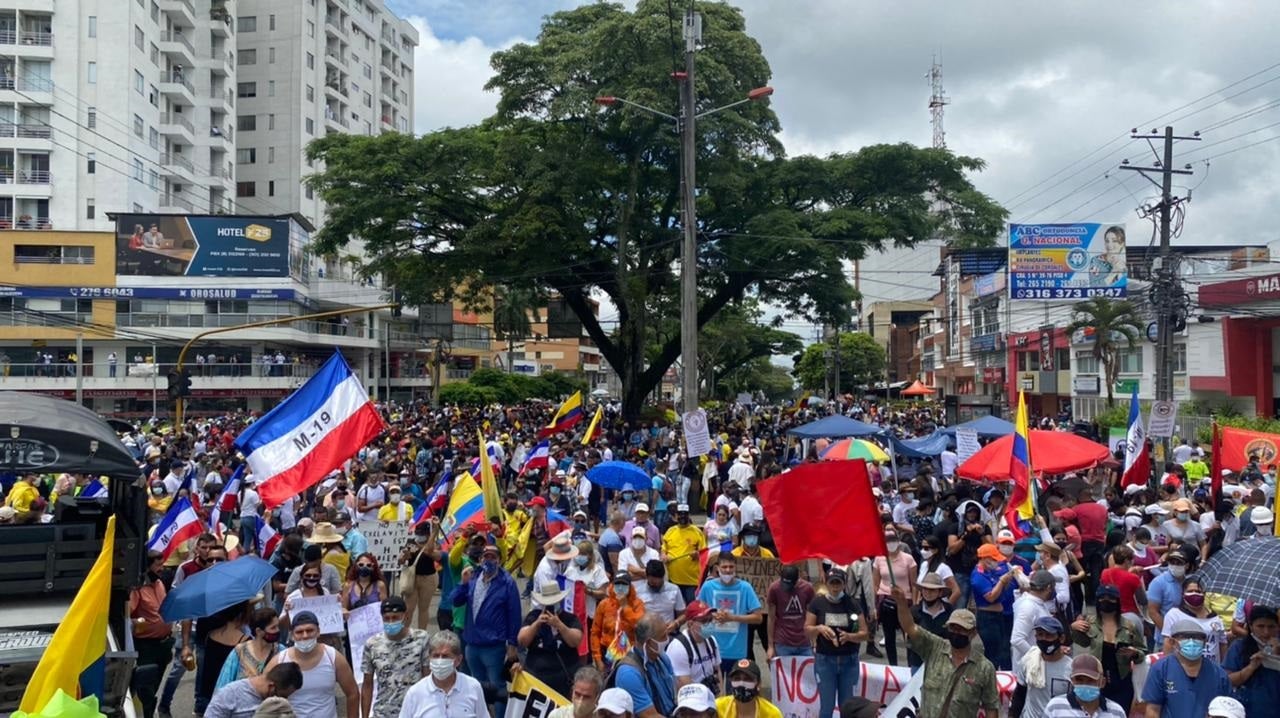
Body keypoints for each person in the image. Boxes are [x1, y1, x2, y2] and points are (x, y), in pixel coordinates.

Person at [892, 584, 999, 717]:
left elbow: (991, 707)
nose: (956, 632)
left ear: (972, 633)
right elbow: (910, 627)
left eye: (961, 629)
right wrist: (902, 603)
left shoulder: (985, 668)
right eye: (952, 628)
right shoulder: (934, 647)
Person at [449, 538, 522, 718]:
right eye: (485, 556)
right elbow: (455, 600)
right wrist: (462, 583)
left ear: (499, 559)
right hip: (472, 645)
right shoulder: (473, 577)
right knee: (476, 686)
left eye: (493, 556)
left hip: (494, 646)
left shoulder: (507, 582)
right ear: (480, 559)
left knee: (497, 686)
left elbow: (514, 615)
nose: (488, 560)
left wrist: (512, 644)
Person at [266, 611, 360, 718]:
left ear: (318, 631)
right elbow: (263, 691)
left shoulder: (333, 657)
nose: (305, 636)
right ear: (292, 635)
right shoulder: (280, 660)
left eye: (310, 630)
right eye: (299, 632)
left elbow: (352, 693)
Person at [1069, 584, 1146, 710]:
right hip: (1096, 679)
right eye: (1102, 598)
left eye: (1110, 598)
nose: (1106, 601)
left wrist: (1135, 653)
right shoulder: (1089, 623)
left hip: (1122, 680)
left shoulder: (1129, 626)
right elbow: (1081, 642)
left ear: (1117, 601)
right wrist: (1073, 628)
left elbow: (1142, 652)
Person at [804, 567, 867, 718]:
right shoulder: (817, 603)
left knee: (847, 707)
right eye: (832, 583)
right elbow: (807, 629)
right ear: (826, 583)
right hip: (825, 661)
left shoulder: (853, 604)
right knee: (827, 706)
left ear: (844, 584)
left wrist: (850, 637)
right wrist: (819, 628)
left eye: (838, 583)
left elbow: (864, 634)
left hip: (849, 661)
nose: (835, 587)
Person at [1141, 618, 1232, 718]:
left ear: (1205, 642)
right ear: (1173, 642)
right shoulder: (1161, 670)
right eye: (1185, 637)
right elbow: (1153, 710)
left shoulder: (1218, 675)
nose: (1191, 641)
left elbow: (1227, 711)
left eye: (1197, 637)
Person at [360, 597, 430, 718]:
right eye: (387, 618)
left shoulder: (421, 639)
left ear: (405, 616)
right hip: (383, 712)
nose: (391, 622)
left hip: (414, 711)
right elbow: (367, 685)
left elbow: (428, 678)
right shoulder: (372, 644)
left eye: (395, 617)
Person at [697, 553, 763, 678]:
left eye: (731, 567)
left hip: (737, 651)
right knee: (716, 692)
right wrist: (712, 616)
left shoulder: (745, 588)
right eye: (724, 567)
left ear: (736, 567)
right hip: (713, 649)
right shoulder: (708, 587)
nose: (728, 570)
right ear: (717, 568)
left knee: (733, 691)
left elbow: (758, 617)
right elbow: (699, 615)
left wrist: (733, 618)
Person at [397, 630, 488, 718]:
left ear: (458, 660)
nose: (439, 661)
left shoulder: (473, 687)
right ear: (429, 658)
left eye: (445, 656)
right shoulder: (415, 693)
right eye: (436, 656)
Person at [519, 581, 586, 698]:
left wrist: (560, 625)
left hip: (563, 679)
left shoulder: (569, 618)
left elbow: (576, 640)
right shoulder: (533, 616)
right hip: (537, 678)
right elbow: (522, 641)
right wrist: (536, 624)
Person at [130, 551, 173, 718]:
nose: (162, 568)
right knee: (145, 690)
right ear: (147, 567)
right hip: (146, 647)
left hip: (163, 645)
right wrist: (137, 622)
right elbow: (127, 615)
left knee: (155, 685)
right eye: (158, 565)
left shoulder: (160, 583)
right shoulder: (137, 589)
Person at [614, 615, 678, 718]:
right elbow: (649, 715)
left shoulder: (662, 658)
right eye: (663, 637)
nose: (667, 639)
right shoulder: (629, 673)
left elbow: (676, 691)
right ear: (649, 642)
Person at [1222, 604, 1280, 718]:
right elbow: (1228, 680)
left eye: (1271, 626)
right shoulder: (1239, 647)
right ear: (1251, 626)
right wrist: (1251, 667)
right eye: (1260, 626)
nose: (1266, 632)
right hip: (1249, 709)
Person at [1011, 616, 1073, 717]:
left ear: (1061, 638)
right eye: (1040, 635)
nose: (1044, 639)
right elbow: (1019, 694)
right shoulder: (1029, 660)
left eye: (1049, 635)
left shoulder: (1071, 668)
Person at [871, 528, 917, 666]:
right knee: (889, 637)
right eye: (888, 541)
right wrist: (874, 605)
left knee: (908, 636)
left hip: (905, 600)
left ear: (898, 541)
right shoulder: (879, 559)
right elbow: (875, 583)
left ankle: (910, 667)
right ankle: (893, 667)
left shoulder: (908, 559)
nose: (891, 543)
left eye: (893, 540)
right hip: (885, 599)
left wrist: (914, 603)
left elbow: (914, 584)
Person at [970, 542, 1018, 671]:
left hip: (998, 615)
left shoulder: (988, 572)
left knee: (1003, 648)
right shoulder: (978, 576)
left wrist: (1006, 581)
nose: (996, 563)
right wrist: (1002, 582)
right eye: (993, 559)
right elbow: (990, 596)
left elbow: (999, 591)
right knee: (993, 653)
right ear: (985, 559)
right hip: (988, 618)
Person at [1160, 577, 1228, 663]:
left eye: (1198, 591)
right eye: (1190, 591)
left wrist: (1222, 667)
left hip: (1212, 668)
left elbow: (1222, 644)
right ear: (1183, 594)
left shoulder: (1215, 618)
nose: (1194, 594)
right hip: (1183, 667)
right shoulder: (1174, 615)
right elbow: (1168, 643)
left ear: (1204, 594)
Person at [1040, 654, 1128, 718]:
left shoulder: (1116, 712)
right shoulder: (1055, 707)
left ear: (1102, 682)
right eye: (1079, 680)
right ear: (1072, 681)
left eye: (1091, 680)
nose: (1085, 684)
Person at [215, 608, 282, 690]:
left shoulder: (281, 651)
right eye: (273, 628)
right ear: (259, 631)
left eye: (278, 626)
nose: (277, 630)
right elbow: (224, 683)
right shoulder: (240, 651)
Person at [204, 663, 303, 718]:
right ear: (271, 687)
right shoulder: (229, 694)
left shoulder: (279, 706)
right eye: (283, 696)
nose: (284, 700)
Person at [591, 572, 644, 670]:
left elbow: (639, 627)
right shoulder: (604, 604)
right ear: (612, 585)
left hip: (630, 654)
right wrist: (597, 658)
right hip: (606, 654)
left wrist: (625, 607)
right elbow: (595, 632)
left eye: (624, 585)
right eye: (617, 584)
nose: (620, 588)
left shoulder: (638, 604)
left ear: (630, 587)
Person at [666, 600, 721, 693]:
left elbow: (717, 671)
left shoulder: (711, 640)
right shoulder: (678, 647)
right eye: (704, 621)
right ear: (690, 624)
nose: (710, 624)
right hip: (690, 697)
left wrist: (720, 699)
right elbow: (684, 686)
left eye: (710, 619)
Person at [1148, 545, 1196, 646]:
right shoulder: (1159, 582)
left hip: (1188, 638)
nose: (1175, 565)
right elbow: (1153, 612)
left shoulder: (1190, 583)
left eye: (1179, 563)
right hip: (1166, 640)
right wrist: (1169, 634)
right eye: (1172, 562)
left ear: (1186, 565)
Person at [907, 572, 955, 670]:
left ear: (940, 592)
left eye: (932, 590)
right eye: (925, 589)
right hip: (918, 662)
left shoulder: (950, 612)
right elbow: (908, 639)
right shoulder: (914, 611)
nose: (928, 593)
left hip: (942, 664)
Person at [766, 563, 815, 659]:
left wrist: (814, 640)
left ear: (797, 580)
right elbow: (771, 618)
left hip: (804, 642)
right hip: (783, 642)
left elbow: (812, 615)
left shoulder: (807, 588)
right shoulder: (774, 588)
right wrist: (770, 646)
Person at [662, 504, 707, 603]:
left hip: (691, 581)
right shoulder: (670, 531)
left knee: (691, 608)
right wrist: (664, 556)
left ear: (689, 515)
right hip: (673, 580)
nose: (682, 517)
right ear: (676, 516)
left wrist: (697, 554)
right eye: (680, 514)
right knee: (676, 608)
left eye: (685, 514)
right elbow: (663, 550)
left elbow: (704, 554)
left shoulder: (697, 532)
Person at [1012, 569, 1058, 668]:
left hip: (1035, 666)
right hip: (1029, 669)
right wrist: (1038, 656)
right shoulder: (1028, 607)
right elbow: (1016, 639)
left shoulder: (1037, 603)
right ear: (1049, 588)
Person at [401, 519, 440, 630]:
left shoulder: (433, 543)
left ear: (427, 534)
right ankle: (404, 632)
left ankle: (422, 633)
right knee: (409, 608)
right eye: (418, 533)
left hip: (428, 578)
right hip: (412, 578)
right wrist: (404, 557)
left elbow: (430, 551)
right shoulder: (410, 543)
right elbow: (401, 561)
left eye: (422, 534)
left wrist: (434, 533)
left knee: (424, 608)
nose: (419, 536)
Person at [716, 659, 782, 718]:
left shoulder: (772, 714)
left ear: (759, 684)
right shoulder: (718, 707)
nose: (741, 683)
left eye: (747, 679)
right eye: (737, 679)